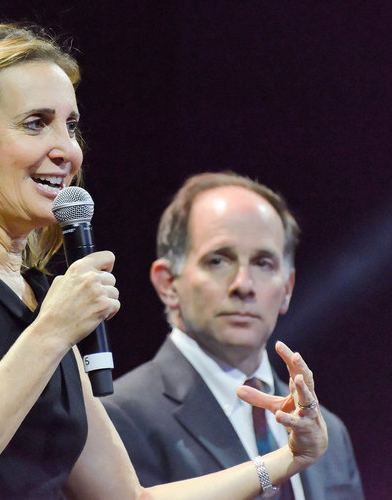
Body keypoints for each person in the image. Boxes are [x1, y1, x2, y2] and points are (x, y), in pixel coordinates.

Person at [0, 23, 328, 499]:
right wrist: (52, 332)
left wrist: (288, 459)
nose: (67, 151)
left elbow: (127, 498)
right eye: (36, 123)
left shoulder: (44, 300)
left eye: (71, 125)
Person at [102, 173, 365, 499]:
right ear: (168, 283)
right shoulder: (117, 420)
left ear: (287, 289)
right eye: (218, 260)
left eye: (263, 263)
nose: (243, 284)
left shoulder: (331, 433)